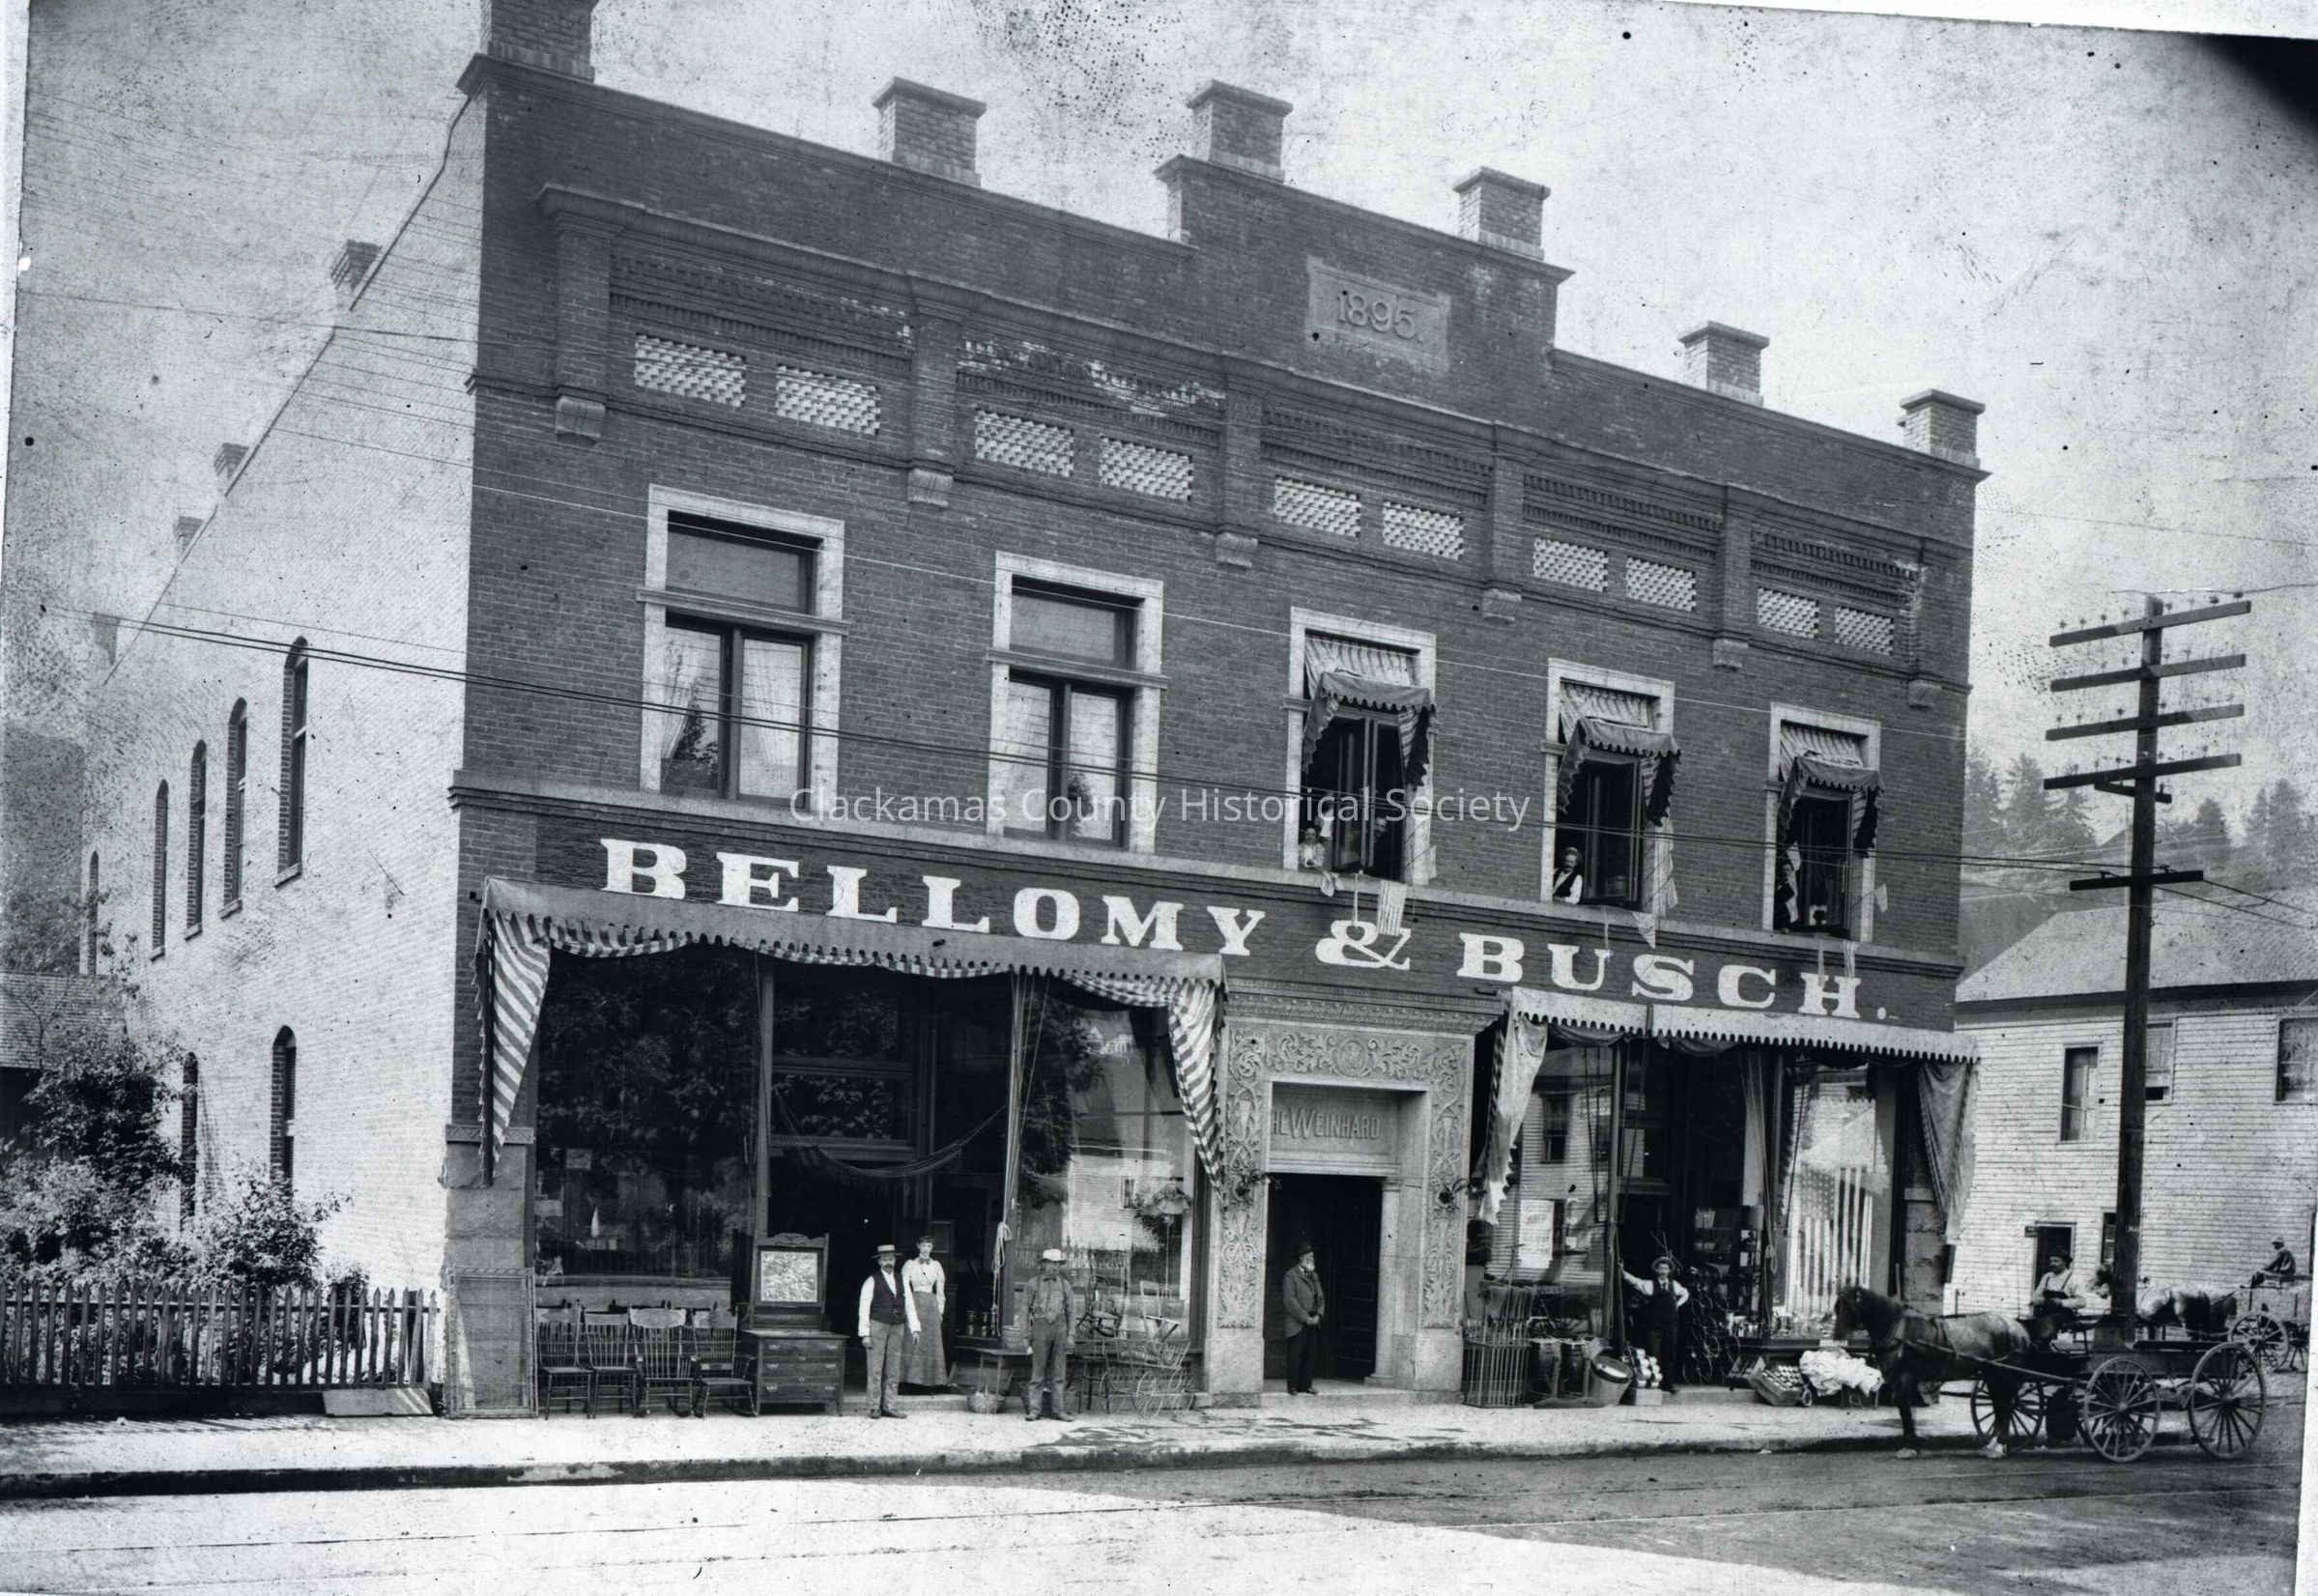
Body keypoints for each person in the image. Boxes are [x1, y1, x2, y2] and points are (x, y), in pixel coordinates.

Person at [855, 1241, 919, 1419]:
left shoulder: (903, 1280)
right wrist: (865, 1334)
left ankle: (890, 1406)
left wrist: (915, 1328)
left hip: (898, 1327)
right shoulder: (871, 1280)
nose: (888, 1262)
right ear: (879, 1262)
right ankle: (874, 1407)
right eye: (884, 1259)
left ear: (895, 1260)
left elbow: (910, 1305)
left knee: (893, 1368)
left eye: (890, 1259)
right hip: (877, 1326)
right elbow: (863, 1309)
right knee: (875, 1368)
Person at [1620, 1254, 1690, 1394]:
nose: (1663, 1271)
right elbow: (1634, 1281)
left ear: (1669, 1271)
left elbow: (1686, 1294)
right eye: (1661, 1268)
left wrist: (1677, 1304)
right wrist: (1622, 1271)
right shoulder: (1650, 1284)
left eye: (1666, 1269)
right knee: (1654, 1354)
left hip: (1671, 1325)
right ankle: (1655, 1384)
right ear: (1656, 1270)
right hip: (1654, 1325)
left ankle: (1668, 1385)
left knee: (1669, 1354)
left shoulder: (1675, 1285)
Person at [1022, 1247, 1076, 1422]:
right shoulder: (1032, 1284)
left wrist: (1071, 1335)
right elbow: (1024, 1312)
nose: (1055, 1266)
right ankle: (1034, 1410)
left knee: (1059, 1374)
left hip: (1060, 1330)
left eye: (1058, 1263)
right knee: (1037, 1373)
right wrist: (1025, 1337)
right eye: (1052, 1262)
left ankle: (1058, 1411)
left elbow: (1072, 1312)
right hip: (1039, 1330)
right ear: (1043, 1263)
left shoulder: (1065, 1285)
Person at [901, 1236, 950, 1390]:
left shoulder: (936, 1265)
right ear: (918, 1246)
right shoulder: (910, 1264)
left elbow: (940, 1290)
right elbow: (904, 1287)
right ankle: (908, 1381)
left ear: (932, 1248)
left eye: (929, 1246)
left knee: (930, 1341)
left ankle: (930, 1382)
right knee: (912, 1339)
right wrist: (907, 1307)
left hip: (930, 1305)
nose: (926, 1249)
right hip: (914, 1302)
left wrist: (940, 1311)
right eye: (923, 1245)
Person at [1282, 1244, 1326, 1395]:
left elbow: (1321, 1297)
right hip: (1298, 1322)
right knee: (1295, 1354)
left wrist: (1318, 1315)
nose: (1312, 1259)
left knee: (1309, 1354)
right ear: (1301, 1258)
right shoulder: (1290, 1275)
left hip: (1313, 1321)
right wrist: (1305, 1318)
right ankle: (1293, 1387)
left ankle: (1306, 1385)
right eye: (1309, 1256)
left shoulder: (1314, 1276)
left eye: (1312, 1256)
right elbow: (1290, 1300)